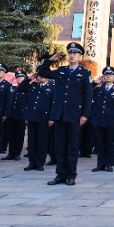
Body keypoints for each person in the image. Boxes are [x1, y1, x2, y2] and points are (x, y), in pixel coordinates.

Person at [38, 42, 93, 186]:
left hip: (75, 114)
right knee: (60, 146)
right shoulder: (61, 71)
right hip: (60, 114)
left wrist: (85, 114)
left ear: (80, 57)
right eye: (70, 53)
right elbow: (42, 72)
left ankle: (71, 175)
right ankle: (60, 174)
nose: (72, 55)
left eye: (75, 53)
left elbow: (88, 96)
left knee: (72, 146)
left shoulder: (85, 73)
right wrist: (51, 60)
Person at [91, 66, 114, 173]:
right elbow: (88, 92)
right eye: (106, 75)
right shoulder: (98, 89)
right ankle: (100, 164)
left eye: (110, 75)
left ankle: (109, 164)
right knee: (100, 143)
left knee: (110, 143)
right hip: (99, 120)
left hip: (111, 120)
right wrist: (95, 82)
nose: (108, 76)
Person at [23, 73, 53, 172]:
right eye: (39, 75)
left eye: (43, 75)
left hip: (44, 118)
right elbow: (21, 89)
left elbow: (54, 103)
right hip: (32, 116)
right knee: (31, 142)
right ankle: (31, 163)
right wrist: (28, 78)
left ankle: (40, 163)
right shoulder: (33, 85)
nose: (40, 77)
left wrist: (52, 118)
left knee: (42, 142)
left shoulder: (52, 87)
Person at [3, 71, 29, 161]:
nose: (19, 79)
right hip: (12, 115)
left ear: (25, 78)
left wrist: (27, 117)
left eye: (21, 77)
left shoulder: (28, 89)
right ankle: (11, 153)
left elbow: (29, 103)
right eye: (17, 77)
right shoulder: (13, 88)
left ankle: (17, 153)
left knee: (19, 135)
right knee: (11, 135)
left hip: (21, 116)